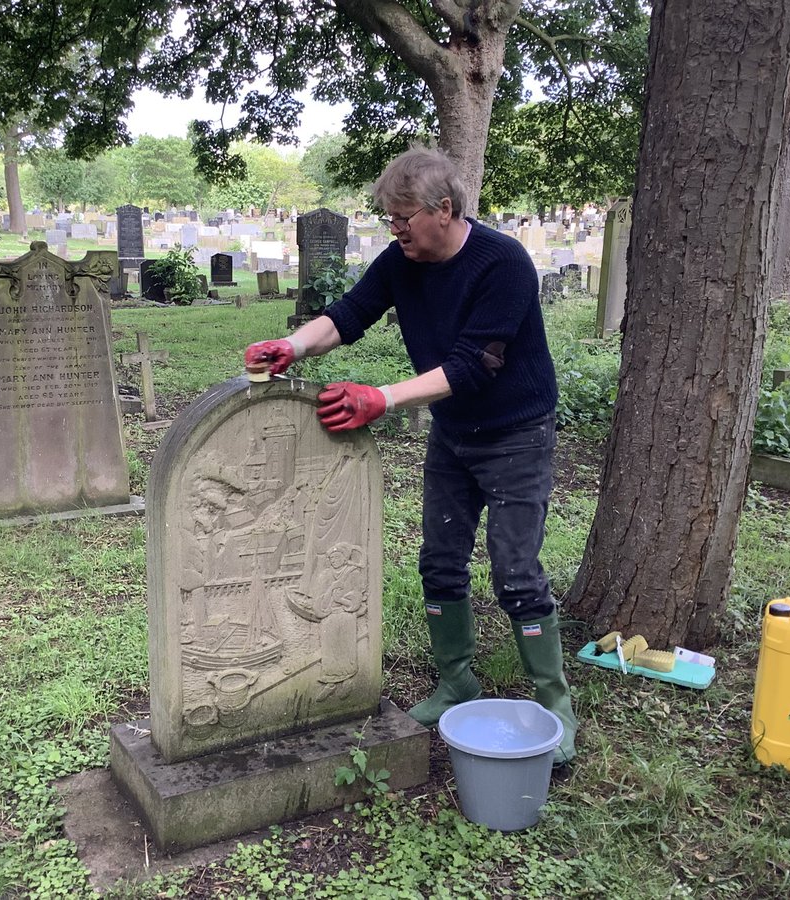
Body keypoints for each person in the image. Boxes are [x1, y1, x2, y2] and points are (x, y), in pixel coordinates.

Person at [243, 146, 576, 764]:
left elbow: (476, 365)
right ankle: (456, 681)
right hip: (453, 433)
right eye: (388, 220)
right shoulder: (402, 259)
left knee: (515, 571)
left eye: (402, 218)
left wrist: (381, 397)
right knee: (439, 560)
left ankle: (553, 702)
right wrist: (292, 345)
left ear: (443, 210)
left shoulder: (502, 263)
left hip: (516, 435)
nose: (393, 231)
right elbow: (348, 315)